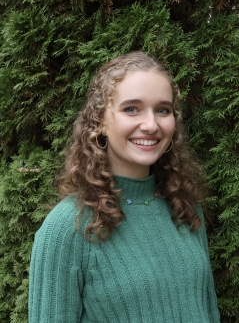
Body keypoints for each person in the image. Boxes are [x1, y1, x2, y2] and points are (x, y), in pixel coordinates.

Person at [29, 51, 220, 322]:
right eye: (131, 108)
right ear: (100, 122)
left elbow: (209, 312)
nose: (151, 124)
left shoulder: (184, 208)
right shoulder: (68, 227)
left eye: (162, 110)